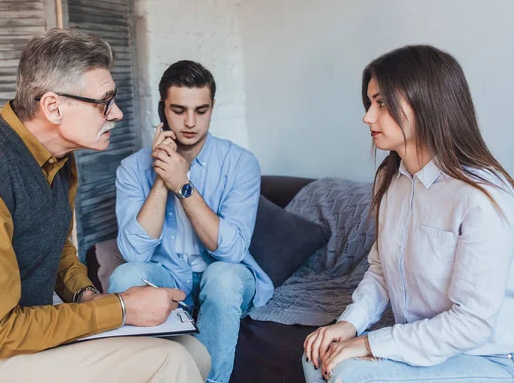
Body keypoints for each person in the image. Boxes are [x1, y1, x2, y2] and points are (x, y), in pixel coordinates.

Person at [0, 28, 210, 383]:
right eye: (104, 102)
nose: (116, 113)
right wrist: (120, 308)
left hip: (14, 330)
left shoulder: (57, 158)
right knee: (169, 362)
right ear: (53, 106)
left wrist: (85, 294)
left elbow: (54, 246)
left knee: (196, 354)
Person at [302, 45, 514, 383]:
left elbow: (472, 323)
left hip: (486, 356)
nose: (368, 116)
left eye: (382, 103)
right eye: (370, 102)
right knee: (316, 358)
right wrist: (349, 323)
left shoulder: (481, 196)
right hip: (420, 343)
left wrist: (371, 343)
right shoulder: (390, 180)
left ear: (427, 103)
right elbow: (381, 270)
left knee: (352, 373)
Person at [108, 60, 274, 383]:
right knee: (123, 276)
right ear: (162, 111)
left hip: (227, 276)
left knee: (222, 276)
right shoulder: (130, 169)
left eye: (201, 111)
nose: (189, 122)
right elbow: (135, 254)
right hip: (168, 275)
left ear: (212, 108)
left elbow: (232, 250)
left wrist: (183, 186)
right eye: (179, 110)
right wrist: (163, 176)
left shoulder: (241, 164)